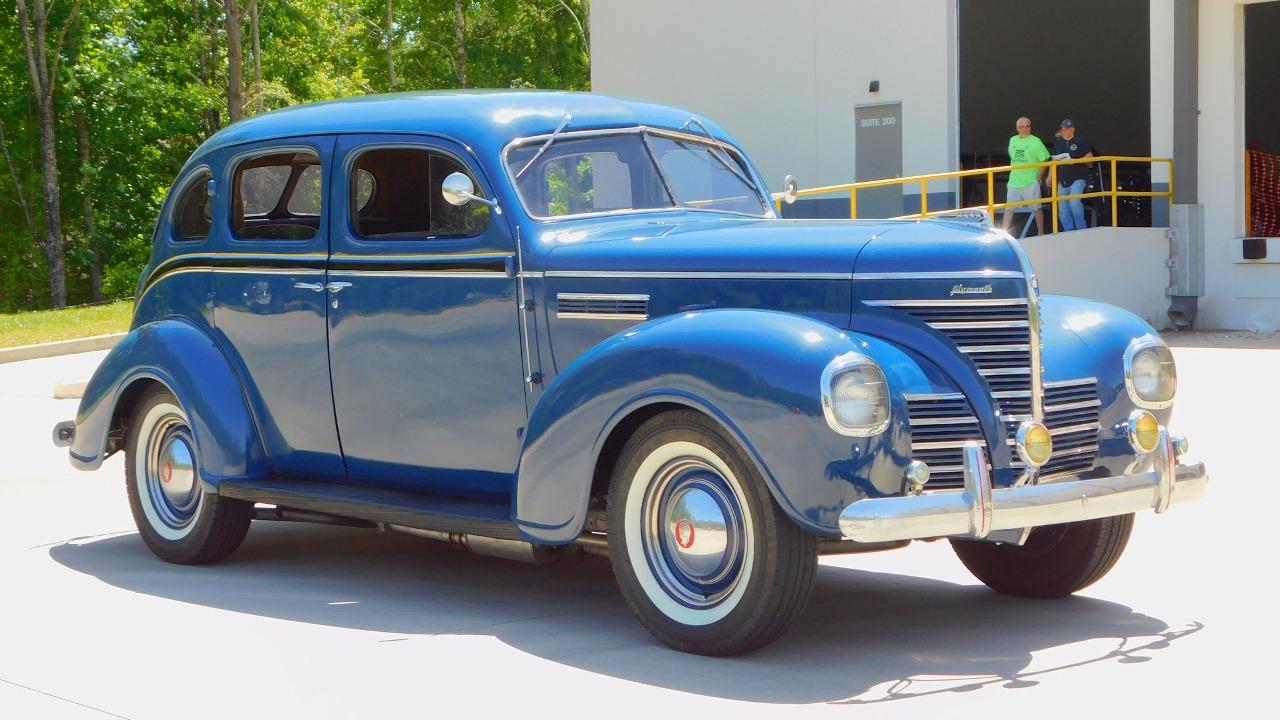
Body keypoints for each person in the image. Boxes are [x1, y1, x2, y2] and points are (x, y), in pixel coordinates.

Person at [1003, 116, 1050, 235]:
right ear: (1017, 128)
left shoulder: (1036, 141)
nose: (1024, 129)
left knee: (1037, 208)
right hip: (1014, 181)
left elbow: (1045, 159)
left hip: (1030, 181)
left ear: (1030, 128)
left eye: (1027, 126)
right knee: (1009, 208)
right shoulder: (1013, 140)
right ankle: (1003, 234)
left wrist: (1037, 178)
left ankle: (1041, 233)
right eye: (1021, 127)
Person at [1052, 119, 1094, 231]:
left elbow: (1090, 157)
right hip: (1063, 179)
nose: (1065, 131)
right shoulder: (1058, 142)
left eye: (1068, 129)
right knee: (1062, 208)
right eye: (1063, 129)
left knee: (1074, 203)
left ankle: (1081, 229)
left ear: (1073, 129)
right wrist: (1050, 176)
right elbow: (1054, 160)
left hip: (1078, 177)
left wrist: (1076, 160)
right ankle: (1068, 231)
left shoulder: (1081, 140)